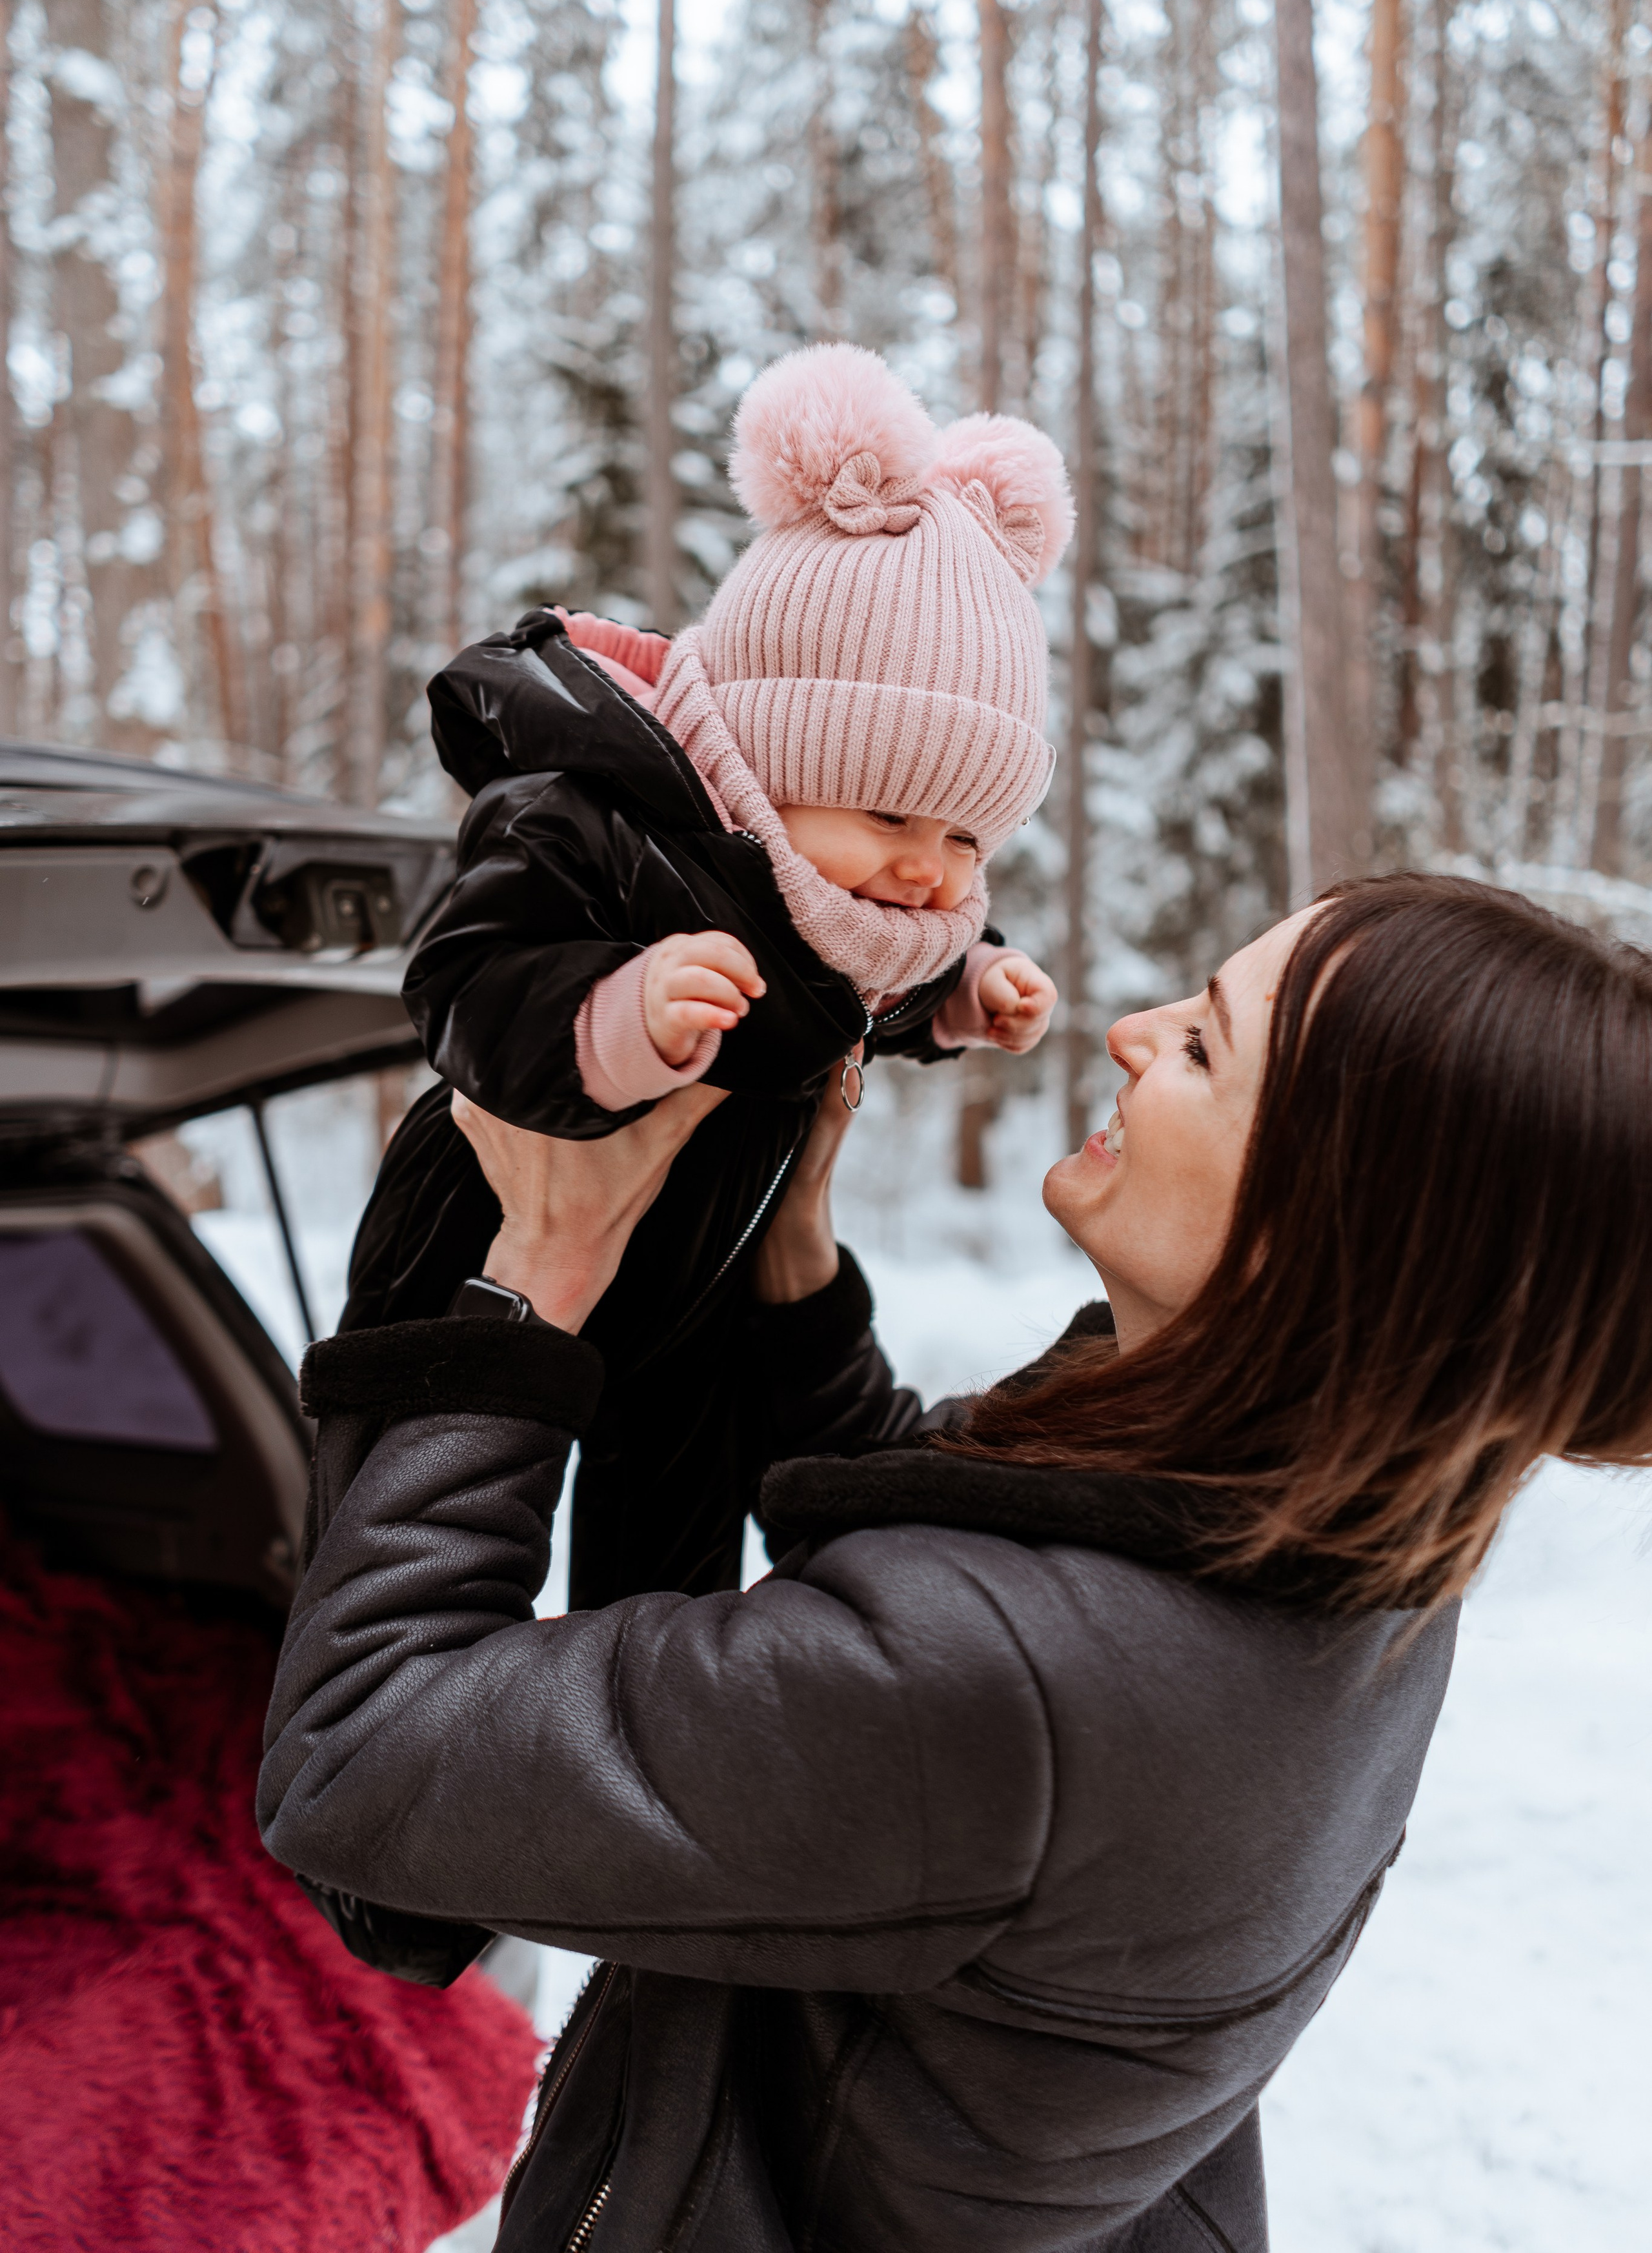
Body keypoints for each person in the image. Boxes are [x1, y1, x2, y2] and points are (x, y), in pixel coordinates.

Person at [259, 874, 1652, 2251]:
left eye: (1202, 1045)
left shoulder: (1016, 1682)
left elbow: (362, 1752)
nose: (1129, 1032)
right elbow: (942, 1574)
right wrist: (790, 1261)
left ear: (1332, 1228)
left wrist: (534, 1285)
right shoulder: (1352, 1545)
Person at [342, 341, 1064, 1609]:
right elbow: (463, 979)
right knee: (392, 1550)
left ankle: (620, 1732)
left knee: (661, 1597)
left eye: (966, 840)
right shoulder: (601, 830)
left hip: (698, 1301)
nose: (927, 876)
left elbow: (859, 1003)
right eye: (893, 817)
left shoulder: (843, 911)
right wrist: (615, 1016)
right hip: (479, 1258)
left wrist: (956, 993)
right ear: (762, 756)